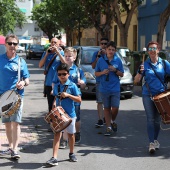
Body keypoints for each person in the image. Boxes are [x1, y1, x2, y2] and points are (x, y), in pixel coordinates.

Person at [134, 41, 170, 154]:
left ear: (158, 50)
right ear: (148, 51)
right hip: (147, 95)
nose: (152, 51)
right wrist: (140, 72)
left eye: (154, 48)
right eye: (150, 49)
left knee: (157, 120)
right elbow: (136, 81)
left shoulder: (164, 63)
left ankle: (155, 140)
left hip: (161, 96)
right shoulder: (144, 64)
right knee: (150, 119)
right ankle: (151, 143)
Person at [0, 34, 30, 159]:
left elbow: (27, 79)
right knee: (7, 123)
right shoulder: (0, 59)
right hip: (2, 96)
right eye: (10, 43)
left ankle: (15, 149)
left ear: (17, 46)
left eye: (15, 44)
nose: (12, 46)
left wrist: (23, 83)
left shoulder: (20, 61)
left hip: (16, 96)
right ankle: (10, 147)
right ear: (5, 44)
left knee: (15, 122)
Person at [46, 63, 81, 166]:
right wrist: (53, 106)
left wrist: (69, 95)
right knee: (57, 134)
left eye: (64, 74)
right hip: (60, 115)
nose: (62, 76)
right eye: (59, 74)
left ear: (68, 74)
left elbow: (79, 100)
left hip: (70, 115)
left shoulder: (73, 85)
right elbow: (56, 97)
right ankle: (54, 157)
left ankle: (71, 153)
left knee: (71, 135)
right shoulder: (56, 86)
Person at [52, 47, 86, 146]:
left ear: (74, 58)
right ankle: (64, 140)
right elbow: (54, 82)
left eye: (69, 56)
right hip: (62, 97)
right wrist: (54, 93)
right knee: (63, 117)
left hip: (74, 97)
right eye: (65, 56)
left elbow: (84, 83)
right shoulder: (60, 69)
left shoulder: (78, 70)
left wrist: (82, 82)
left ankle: (77, 133)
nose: (67, 58)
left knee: (76, 118)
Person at [95, 41, 124, 136]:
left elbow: (122, 74)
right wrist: (102, 72)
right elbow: (96, 73)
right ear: (106, 50)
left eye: (113, 50)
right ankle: (108, 127)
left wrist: (115, 70)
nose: (111, 51)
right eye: (109, 49)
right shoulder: (101, 60)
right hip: (104, 88)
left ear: (115, 51)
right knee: (106, 108)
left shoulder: (118, 60)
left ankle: (112, 120)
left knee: (115, 107)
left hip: (115, 88)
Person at [39, 37, 65, 132]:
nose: (53, 44)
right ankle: (53, 124)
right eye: (52, 42)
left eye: (55, 42)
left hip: (59, 83)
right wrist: (46, 54)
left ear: (58, 44)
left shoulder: (61, 53)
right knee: (51, 105)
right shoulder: (47, 53)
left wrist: (58, 52)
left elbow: (65, 63)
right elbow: (40, 65)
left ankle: (61, 122)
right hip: (49, 83)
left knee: (58, 104)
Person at [91, 37, 109, 127]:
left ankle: (107, 118)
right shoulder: (96, 54)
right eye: (102, 43)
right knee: (100, 101)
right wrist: (98, 56)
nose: (103, 45)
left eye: (105, 43)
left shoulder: (110, 54)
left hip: (108, 82)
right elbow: (93, 66)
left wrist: (106, 55)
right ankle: (100, 119)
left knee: (107, 101)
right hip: (99, 81)